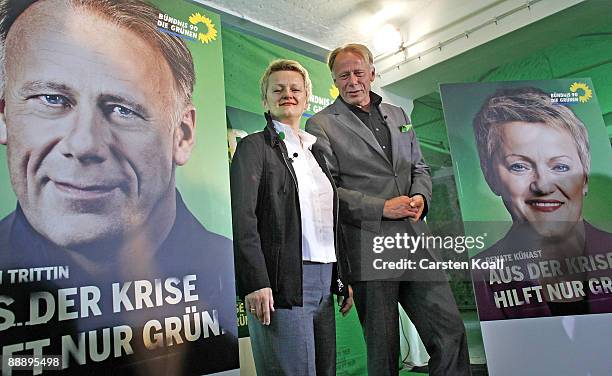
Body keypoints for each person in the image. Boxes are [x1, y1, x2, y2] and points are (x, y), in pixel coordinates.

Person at [0, 0, 237, 374]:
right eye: (51, 99)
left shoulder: (226, 275)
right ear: (4, 116)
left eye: (123, 109)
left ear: (182, 134)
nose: (83, 145)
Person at [306, 44, 470, 376]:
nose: (353, 81)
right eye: (344, 75)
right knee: (384, 352)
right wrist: (382, 208)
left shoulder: (399, 115)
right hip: (369, 247)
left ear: (372, 73)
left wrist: (421, 198)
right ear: (335, 80)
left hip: (415, 243)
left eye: (358, 72)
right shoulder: (321, 125)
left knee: (450, 333)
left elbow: (419, 167)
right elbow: (328, 192)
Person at [231, 59, 353, 376]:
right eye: (278, 89)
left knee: (325, 371)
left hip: (325, 280)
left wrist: (343, 275)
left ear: (306, 97)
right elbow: (243, 220)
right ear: (265, 100)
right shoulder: (252, 147)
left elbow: (331, 222)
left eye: (295, 88)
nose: (288, 94)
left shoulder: (318, 154)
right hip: (282, 281)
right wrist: (257, 282)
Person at [471, 87, 612, 320]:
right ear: (490, 177)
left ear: (585, 178)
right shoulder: (483, 273)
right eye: (519, 166)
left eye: (560, 167)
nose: (544, 186)